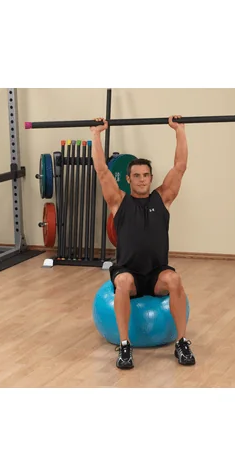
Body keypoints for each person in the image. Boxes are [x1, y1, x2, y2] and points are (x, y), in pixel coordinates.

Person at [90, 116, 196, 369]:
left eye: (146, 175)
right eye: (136, 175)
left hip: (157, 273)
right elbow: (102, 170)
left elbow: (180, 166)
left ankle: (181, 342)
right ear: (128, 179)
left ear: (151, 178)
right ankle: (125, 346)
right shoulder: (119, 202)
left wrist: (179, 131)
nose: (141, 179)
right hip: (129, 271)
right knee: (123, 282)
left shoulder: (163, 198)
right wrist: (96, 134)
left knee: (175, 279)